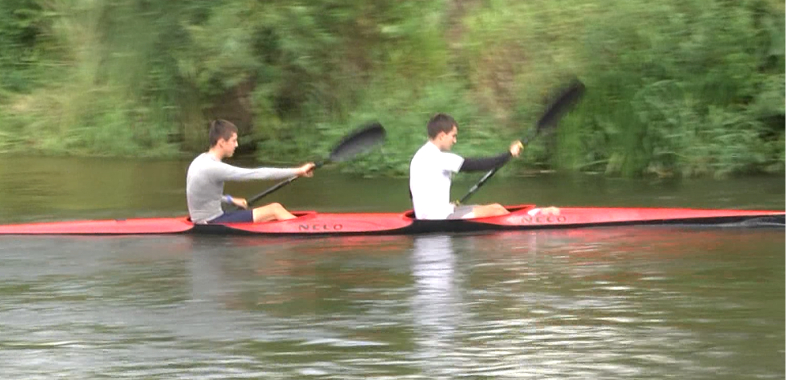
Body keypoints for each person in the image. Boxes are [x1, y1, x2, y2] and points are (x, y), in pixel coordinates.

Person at [186, 119, 315, 224]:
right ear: (221, 142)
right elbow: (258, 174)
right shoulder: (214, 168)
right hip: (213, 222)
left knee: (270, 214)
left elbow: (203, 194)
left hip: (203, 220)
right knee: (275, 209)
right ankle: (306, 231)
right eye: (234, 140)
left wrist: (230, 200)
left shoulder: (199, 161)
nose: (236, 145)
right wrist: (298, 171)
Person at [409, 113, 522, 220]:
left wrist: (442, 206)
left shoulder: (419, 155)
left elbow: (413, 192)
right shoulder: (439, 158)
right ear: (442, 136)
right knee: (496, 211)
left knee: (496, 207)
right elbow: (477, 165)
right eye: (453, 136)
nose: (455, 140)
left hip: (436, 214)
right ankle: (524, 225)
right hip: (438, 218)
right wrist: (509, 154)